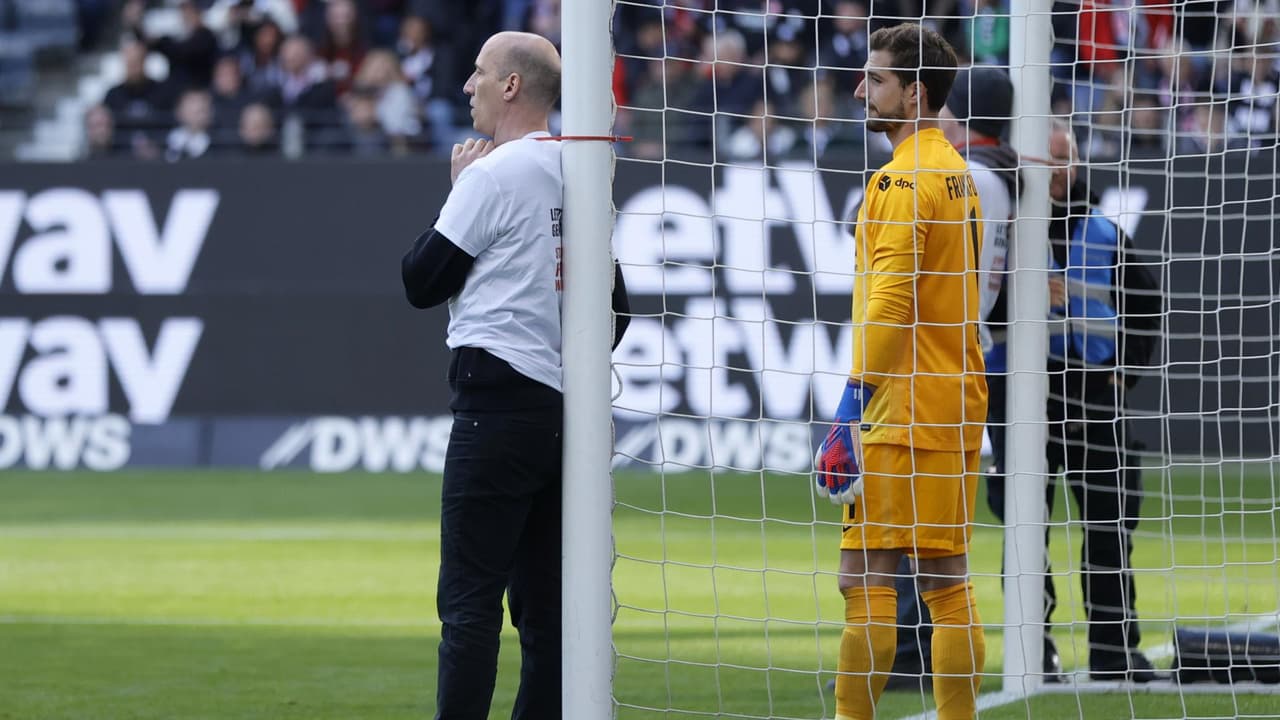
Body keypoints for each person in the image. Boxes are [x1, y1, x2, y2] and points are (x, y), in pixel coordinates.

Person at [399, 31, 630, 720]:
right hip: (564, 417)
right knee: (548, 613)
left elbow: (420, 278)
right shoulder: (579, 172)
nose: (466, 85)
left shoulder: (494, 175)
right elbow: (619, 313)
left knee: (468, 605)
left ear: (510, 87)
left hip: (494, 408)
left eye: (478, 72)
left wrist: (463, 187)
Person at [814, 23, 987, 720]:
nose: (861, 89)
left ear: (915, 94)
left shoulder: (897, 181)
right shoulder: (958, 173)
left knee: (865, 576)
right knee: (947, 578)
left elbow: (891, 298)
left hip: (899, 408)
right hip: (956, 397)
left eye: (876, 80)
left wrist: (853, 403)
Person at [983, 122, 1162, 682]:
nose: (1061, 170)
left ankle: (1115, 649)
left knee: (1109, 525)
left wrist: (1123, 375)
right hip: (1019, 390)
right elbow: (972, 303)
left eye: (1068, 159)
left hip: (1090, 388)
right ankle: (1035, 651)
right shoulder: (1003, 233)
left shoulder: (1106, 231)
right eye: (1052, 159)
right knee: (1024, 527)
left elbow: (1146, 305)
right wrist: (1024, 293)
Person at [886, 65, 1044, 688]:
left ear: (955, 114)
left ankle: (908, 654)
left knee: (901, 509)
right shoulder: (999, 178)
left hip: (930, 357)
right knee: (934, 517)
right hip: (964, 356)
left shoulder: (967, 176)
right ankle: (922, 652)